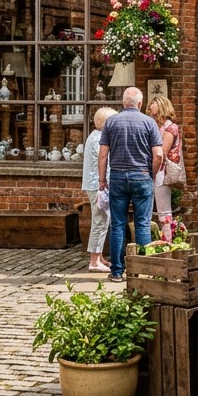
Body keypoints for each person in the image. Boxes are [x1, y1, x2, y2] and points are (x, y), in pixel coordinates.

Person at [98, 87, 163, 283]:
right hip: (142, 175)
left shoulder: (111, 122)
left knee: (117, 224)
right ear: (140, 104)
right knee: (143, 223)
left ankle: (117, 271)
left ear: (123, 103)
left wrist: (102, 179)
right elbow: (158, 154)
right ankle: (142, 269)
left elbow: (102, 155)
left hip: (117, 175)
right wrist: (150, 175)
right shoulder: (149, 122)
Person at [82, 105, 118, 272]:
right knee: (100, 221)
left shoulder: (96, 136)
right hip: (98, 185)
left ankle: (99, 256)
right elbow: (104, 162)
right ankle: (94, 260)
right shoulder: (99, 139)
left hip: (97, 184)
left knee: (103, 220)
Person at [147, 94, 181, 242]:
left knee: (164, 210)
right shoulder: (154, 125)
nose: (149, 107)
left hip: (162, 172)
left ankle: (168, 241)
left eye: (152, 104)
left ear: (161, 106)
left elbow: (163, 151)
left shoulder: (170, 127)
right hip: (152, 170)